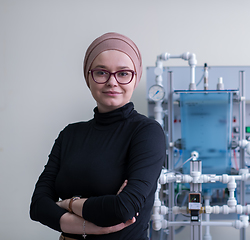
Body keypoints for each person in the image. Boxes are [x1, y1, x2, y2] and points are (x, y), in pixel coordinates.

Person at [30, 32, 166, 240]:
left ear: (135, 78)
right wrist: (92, 226)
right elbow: (38, 206)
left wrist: (68, 204)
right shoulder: (70, 134)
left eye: (123, 73)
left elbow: (123, 209)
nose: (112, 82)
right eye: (102, 72)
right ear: (88, 77)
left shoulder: (146, 132)